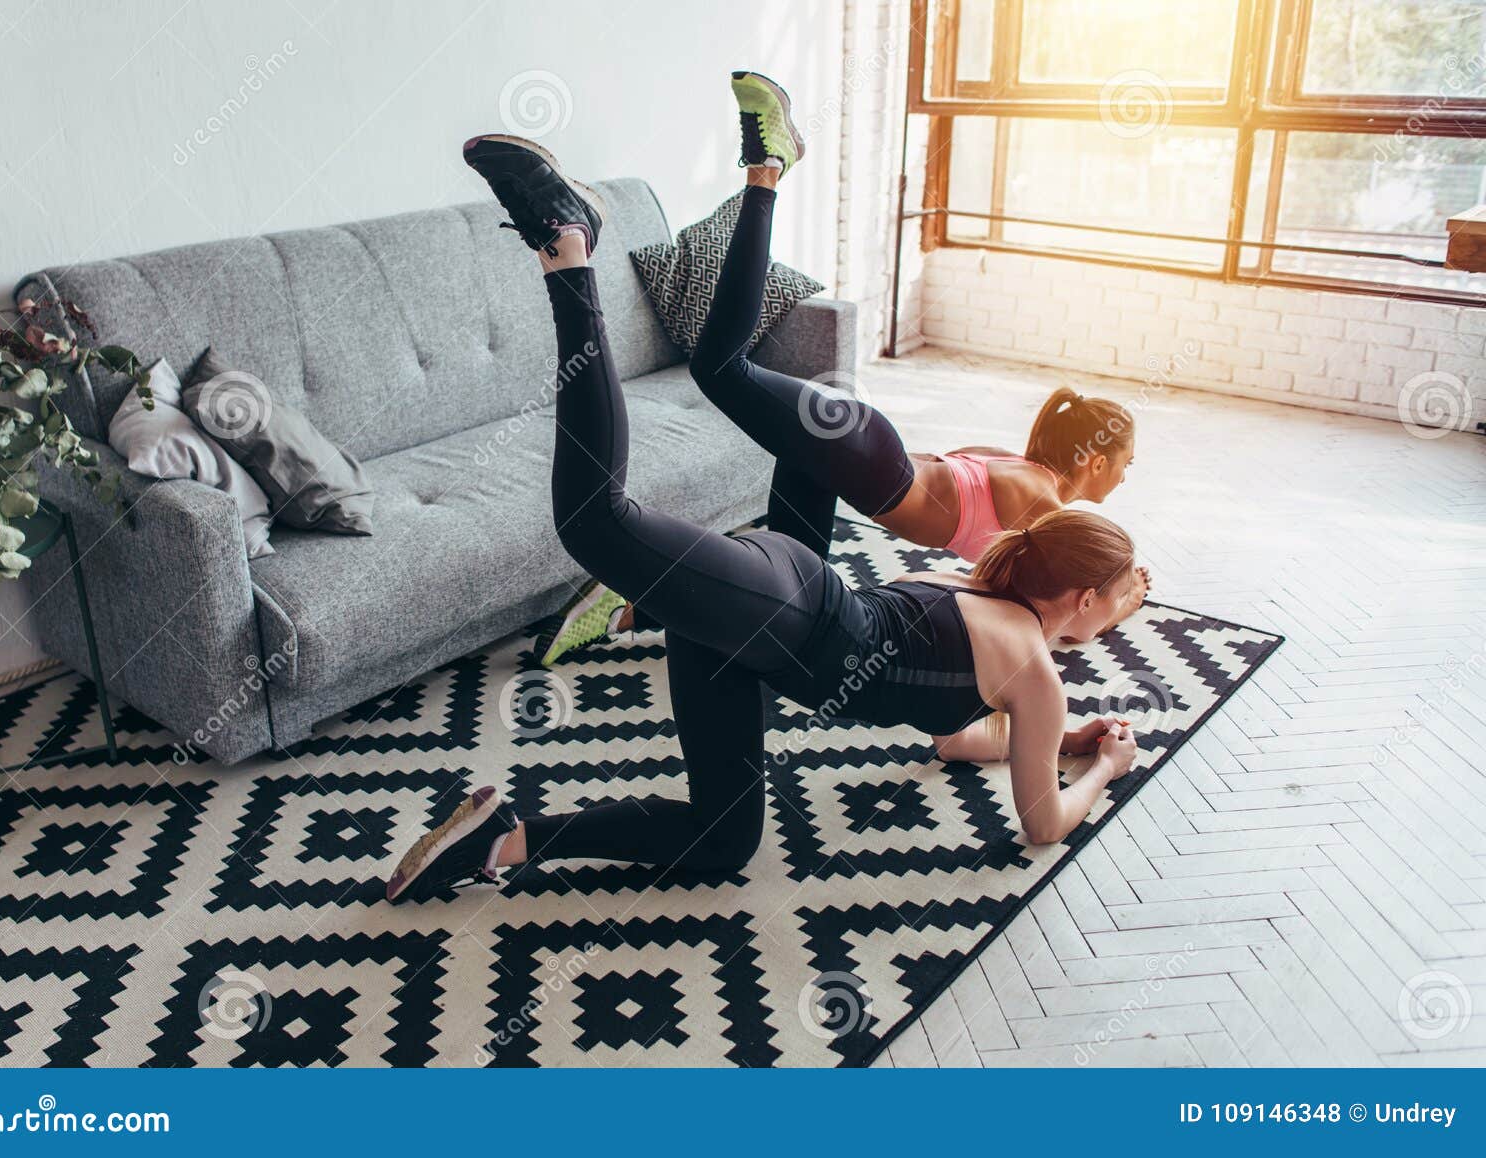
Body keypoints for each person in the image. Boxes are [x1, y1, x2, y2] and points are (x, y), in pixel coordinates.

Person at [385, 73, 1139, 904]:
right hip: (793, 607)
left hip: (763, 624)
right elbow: (1043, 827)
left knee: (724, 840)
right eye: (1121, 597)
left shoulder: (991, 604)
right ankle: (567, 247)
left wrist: (1063, 737)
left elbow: (960, 745)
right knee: (598, 521)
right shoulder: (1033, 668)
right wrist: (1103, 763)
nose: (1125, 610)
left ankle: (503, 841)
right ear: (1079, 597)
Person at [539, 106, 1143, 665]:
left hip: (863, 455)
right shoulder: (1046, 506)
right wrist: (1121, 603)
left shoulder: (1019, 466)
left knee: (790, 578)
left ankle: (629, 606)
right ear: (1092, 459)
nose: (1125, 477)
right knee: (718, 368)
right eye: (1125, 463)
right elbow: (1047, 617)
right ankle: (767, 172)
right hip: (866, 460)